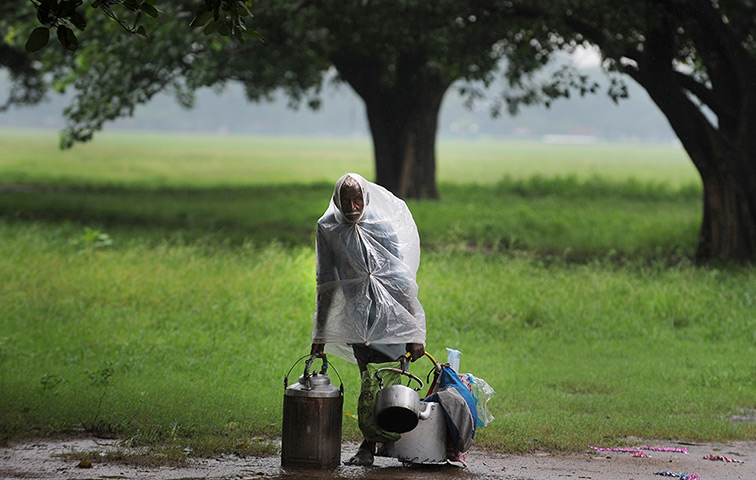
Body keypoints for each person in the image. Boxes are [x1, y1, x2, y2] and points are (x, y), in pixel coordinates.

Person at [310, 173, 426, 466]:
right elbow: (326, 283)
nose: (352, 206)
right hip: (359, 316)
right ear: (337, 201)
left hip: (392, 316)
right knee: (368, 381)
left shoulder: (380, 227)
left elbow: (399, 279)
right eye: (346, 200)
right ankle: (375, 442)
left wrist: (414, 331)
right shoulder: (329, 229)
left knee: (390, 382)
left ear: (367, 199)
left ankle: (371, 444)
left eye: (357, 199)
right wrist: (319, 336)